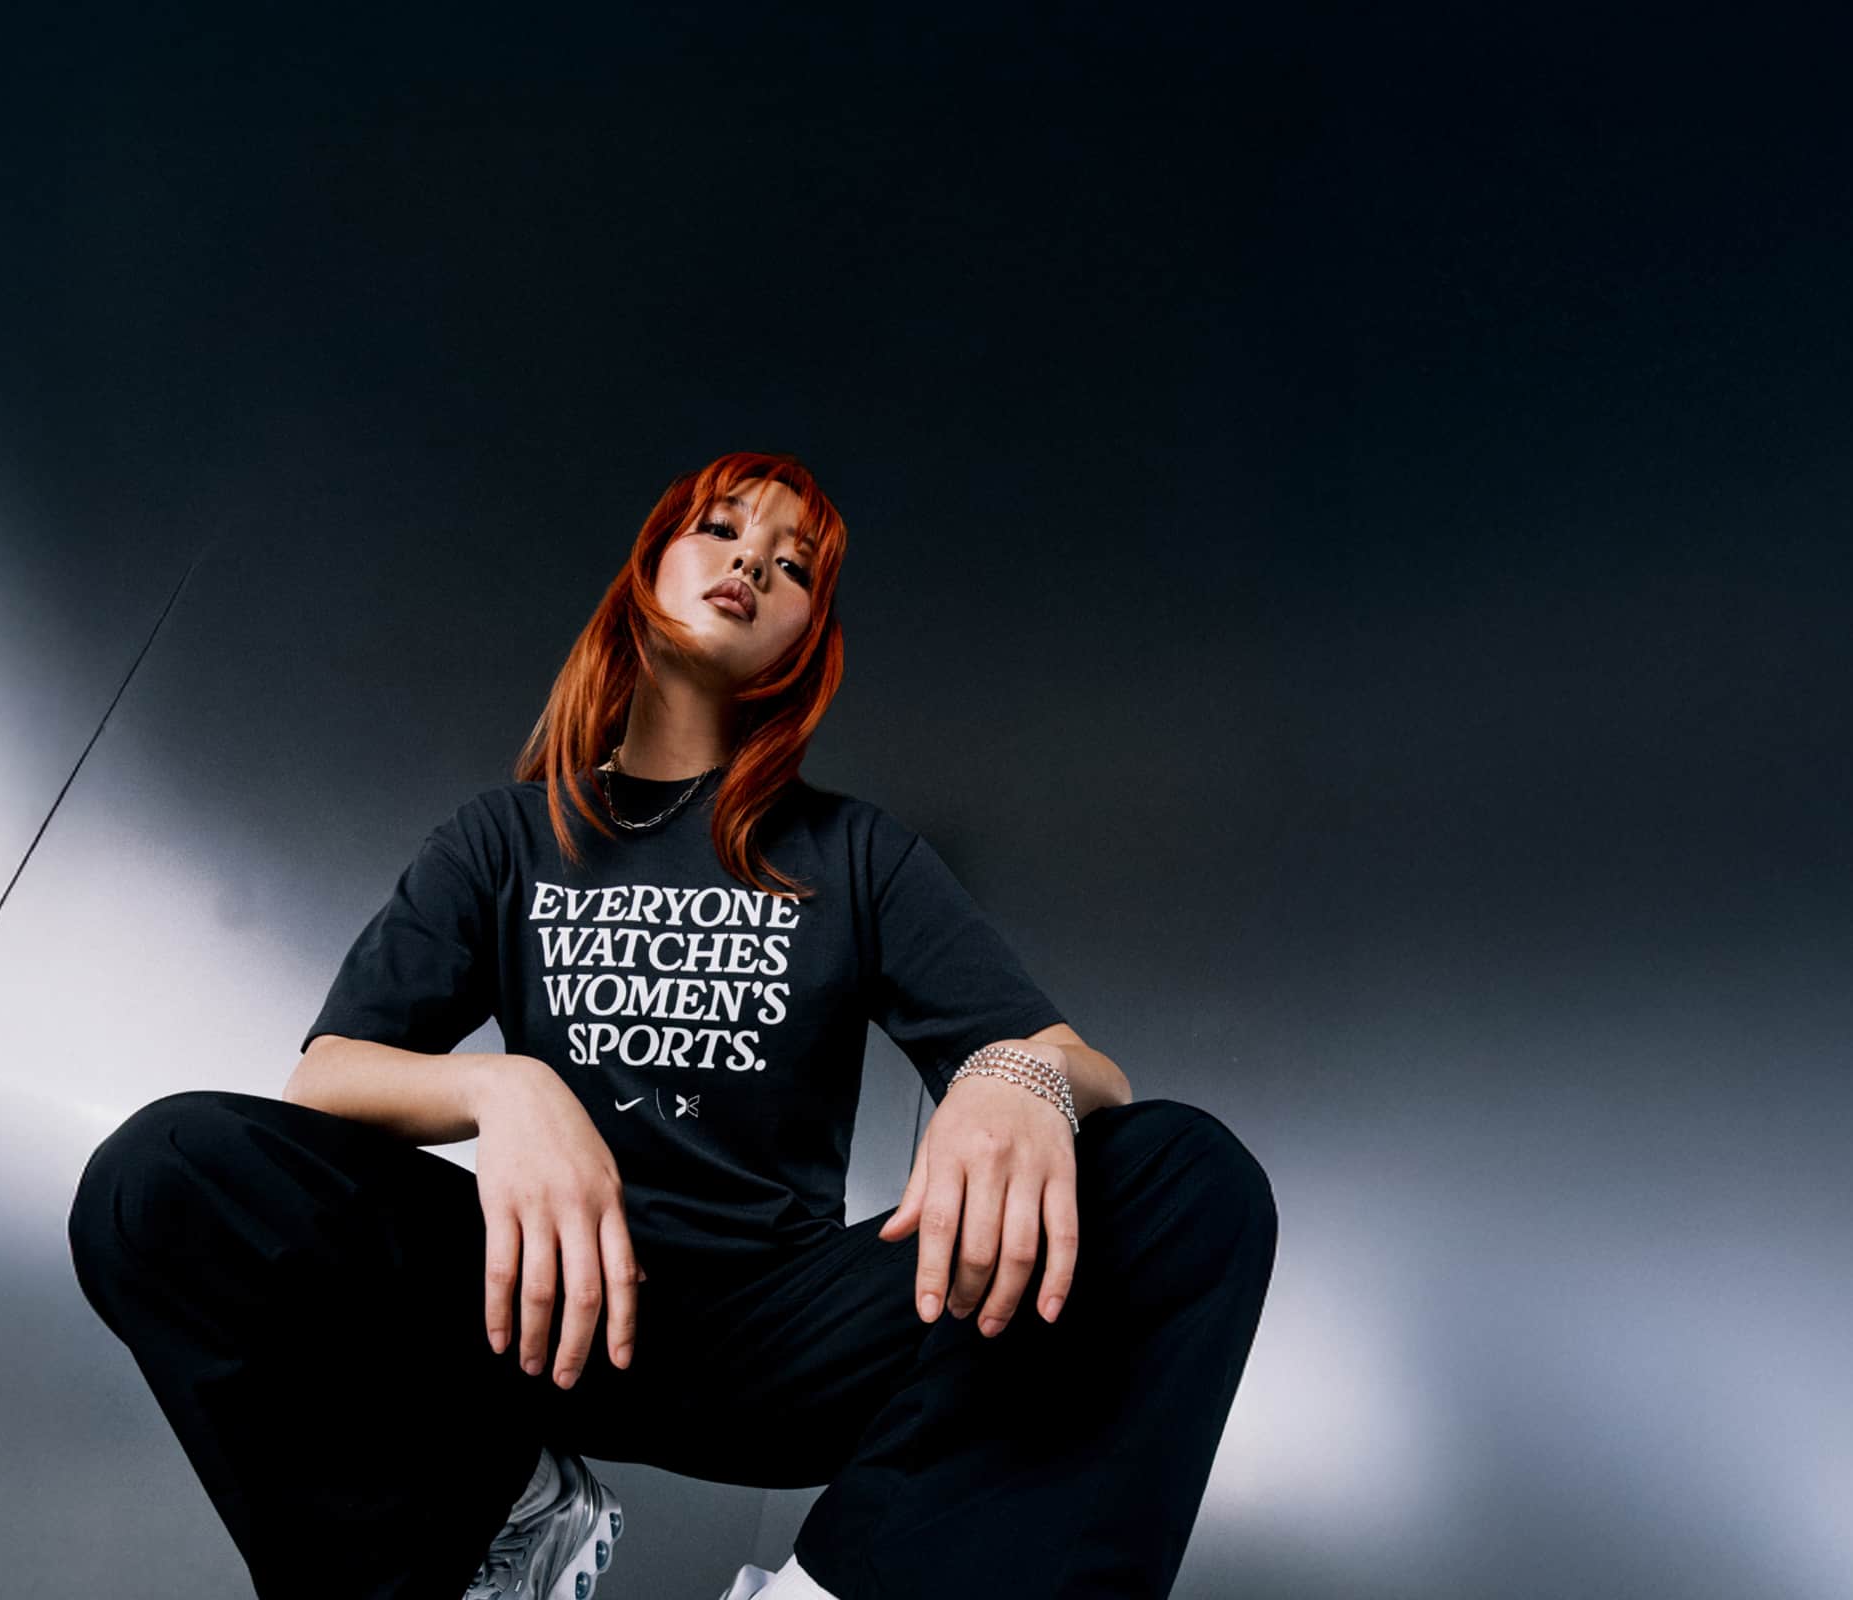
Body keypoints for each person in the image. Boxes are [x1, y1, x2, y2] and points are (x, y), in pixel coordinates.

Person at [68, 451, 1277, 1600]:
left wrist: (1018, 1071)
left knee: (1184, 1178)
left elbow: (1085, 1065)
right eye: (722, 529)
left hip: (781, 1340)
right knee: (163, 1175)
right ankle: (491, 1529)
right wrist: (501, 1089)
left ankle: (848, 1588)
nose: (752, 562)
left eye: (793, 566)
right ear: (649, 566)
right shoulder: (504, 837)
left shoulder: (855, 853)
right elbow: (325, 1077)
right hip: (532, 1306)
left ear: (805, 640)